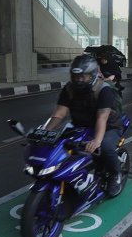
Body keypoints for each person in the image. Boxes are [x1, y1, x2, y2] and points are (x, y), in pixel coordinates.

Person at [45, 54, 124, 196]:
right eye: (76, 76)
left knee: (105, 148)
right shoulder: (69, 89)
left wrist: (97, 141)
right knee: (60, 147)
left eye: (83, 76)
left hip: (109, 126)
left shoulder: (104, 90)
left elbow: (102, 118)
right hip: (81, 126)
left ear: (92, 75)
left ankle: (115, 175)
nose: (79, 80)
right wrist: (44, 133)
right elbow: (59, 114)